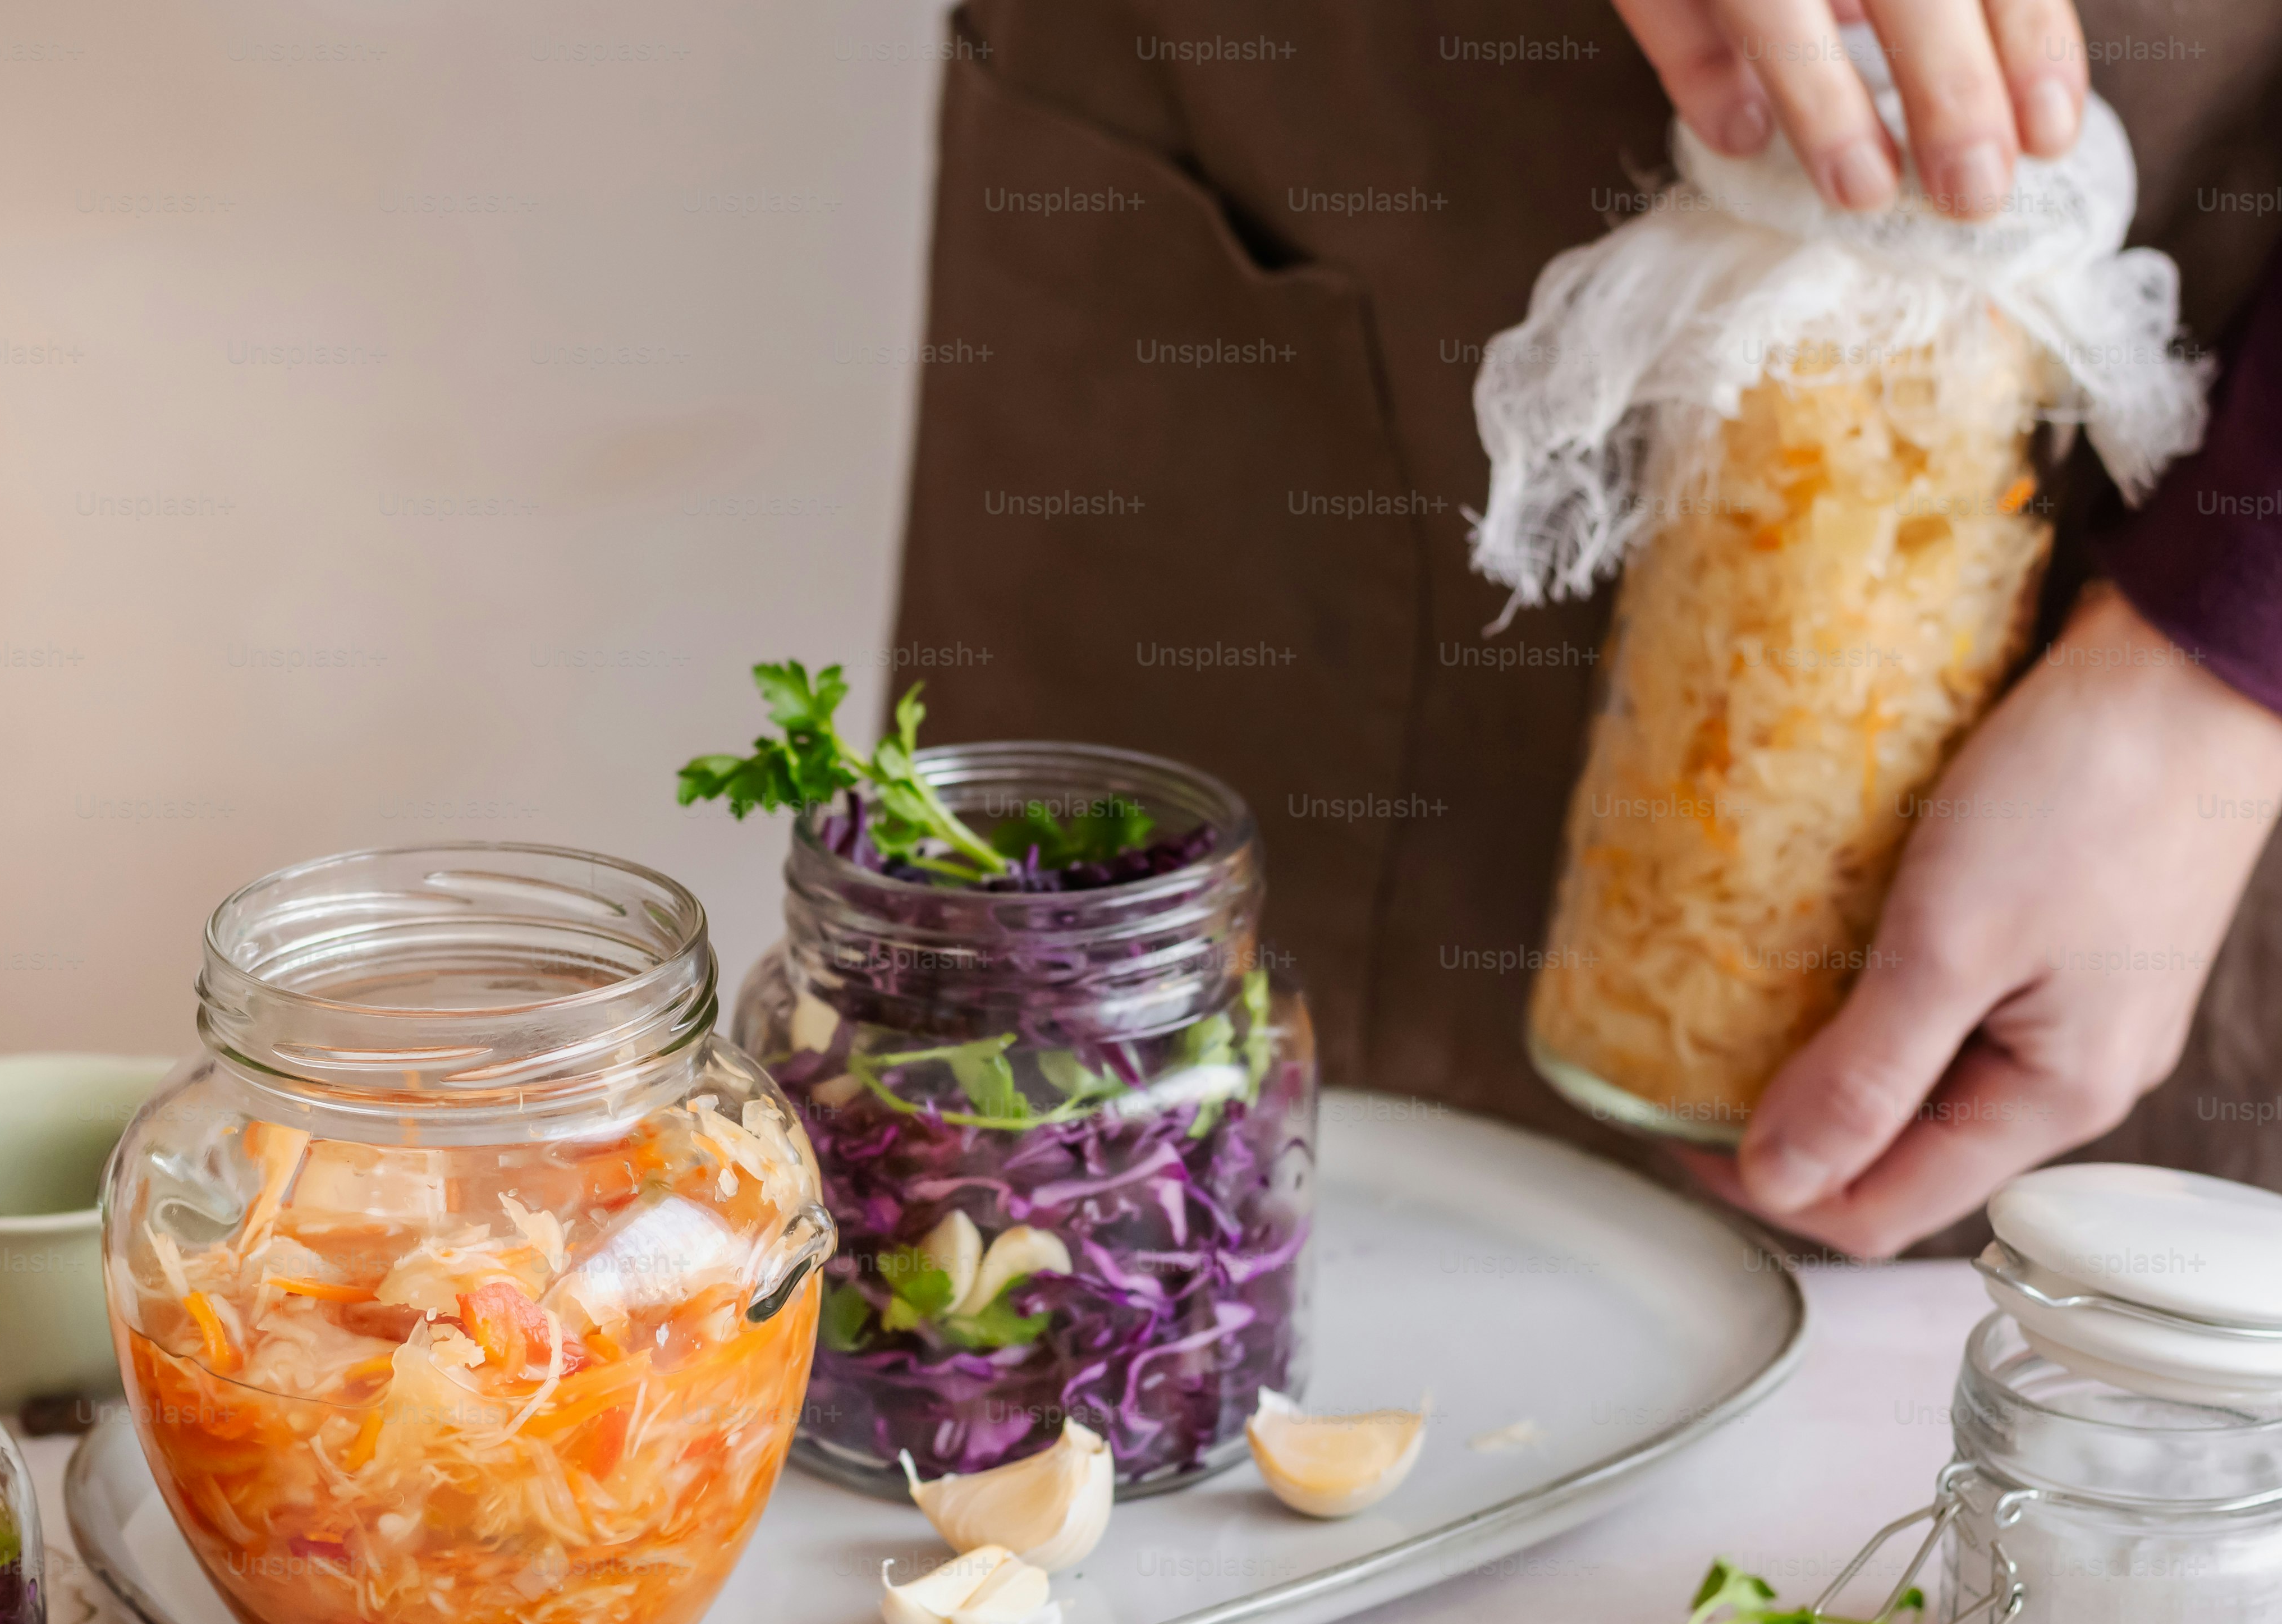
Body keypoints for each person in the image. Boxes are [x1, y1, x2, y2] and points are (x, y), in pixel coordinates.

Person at [888, 0, 2282, 1256]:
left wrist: (2216, 661)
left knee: (2054, 1388)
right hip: (1297, 181)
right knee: (1065, 1252)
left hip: (2200, 282)